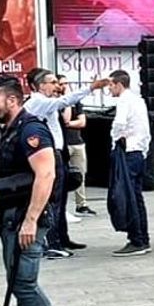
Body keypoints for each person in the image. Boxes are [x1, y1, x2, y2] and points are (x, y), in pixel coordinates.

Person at [0, 76, 76, 306]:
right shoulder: (11, 131)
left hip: (27, 217)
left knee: (24, 283)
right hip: (11, 217)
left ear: (12, 100)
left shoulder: (31, 129)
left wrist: (31, 220)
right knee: (18, 281)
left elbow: (45, 175)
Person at [25, 69, 109, 258]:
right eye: (53, 82)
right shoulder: (38, 102)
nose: (57, 86)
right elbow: (64, 102)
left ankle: (61, 237)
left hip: (58, 153)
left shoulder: (46, 102)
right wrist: (90, 88)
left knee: (60, 198)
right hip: (49, 154)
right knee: (53, 199)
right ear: (41, 86)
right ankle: (52, 242)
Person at [109, 69, 152, 256]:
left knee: (127, 196)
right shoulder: (139, 100)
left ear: (119, 84)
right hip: (139, 152)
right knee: (136, 195)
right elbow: (146, 130)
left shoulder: (124, 101)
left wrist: (115, 138)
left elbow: (119, 123)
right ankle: (143, 237)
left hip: (128, 151)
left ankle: (136, 238)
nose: (109, 89)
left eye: (111, 85)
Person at [60, 77, 96, 218]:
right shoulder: (58, 103)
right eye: (61, 84)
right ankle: (62, 206)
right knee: (62, 175)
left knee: (80, 174)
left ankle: (82, 204)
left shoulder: (77, 102)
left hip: (77, 142)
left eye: (66, 83)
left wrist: (69, 124)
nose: (64, 86)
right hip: (64, 144)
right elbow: (66, 118)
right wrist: (67, 102)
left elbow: (82, 122)